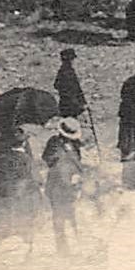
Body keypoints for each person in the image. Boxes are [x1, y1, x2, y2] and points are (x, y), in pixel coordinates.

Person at [42, 117, 84, 254]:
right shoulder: (54, 143)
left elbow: (78, 160)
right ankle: (63, 248)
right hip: (58, 186)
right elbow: (49, 159)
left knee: (73, 216)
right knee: (59, 218)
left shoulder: (75, 144)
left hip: (72, 185)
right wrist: (67, 172)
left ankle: (76, 245)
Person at [54, 47, 87, 124]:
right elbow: (76, 88)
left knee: (66, 123)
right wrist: (82, 101)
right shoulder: (69, 72)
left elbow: (56, 85)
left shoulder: (62, 71)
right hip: (72, 103)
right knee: (72, 123)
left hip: (64, 103)